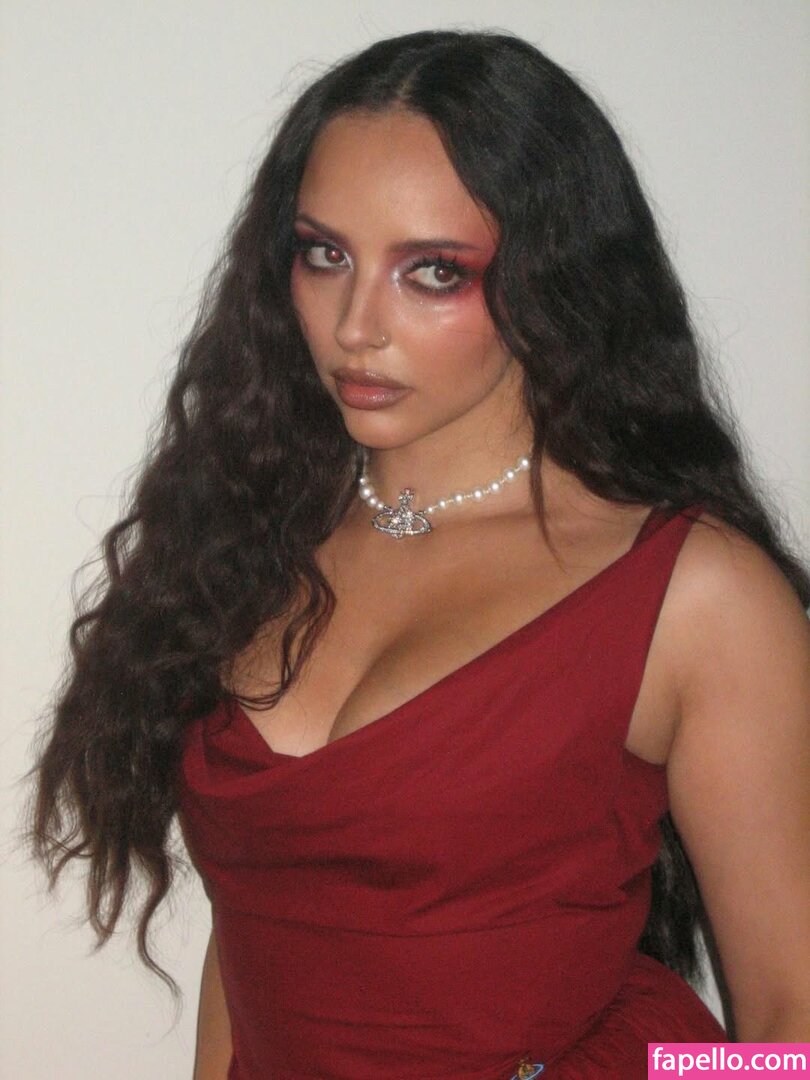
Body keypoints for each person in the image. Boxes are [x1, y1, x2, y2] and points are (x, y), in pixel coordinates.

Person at [29, 29, 810, 1080]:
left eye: (433, 272)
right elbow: (258, 926)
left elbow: (792, 1028)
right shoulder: (250, 531)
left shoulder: (691, 593)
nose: (357, 326)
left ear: (557, 278)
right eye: (325, 255)